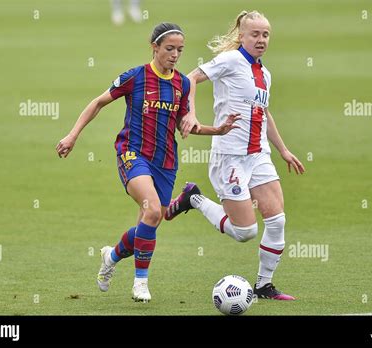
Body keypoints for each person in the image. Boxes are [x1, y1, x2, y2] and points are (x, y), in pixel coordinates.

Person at [56, 23, 240, 302]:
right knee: (153, 210)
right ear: (154, 47)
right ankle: (140, 283)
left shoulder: (183, 84)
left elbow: (187, 126)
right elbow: (98, 103)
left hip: (165, 162)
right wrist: (72, 136)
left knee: (149, 222)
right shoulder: (136, 77)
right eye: (169, 49)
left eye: (180, 50)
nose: (175, 55)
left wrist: (219, 129)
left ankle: (111, 256)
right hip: (133, 153)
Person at [165, 11, 305, 300]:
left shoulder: (264, 74)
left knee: (277, 220)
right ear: (242, 36)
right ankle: (195, 198)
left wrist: (284, 150)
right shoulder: (229, 61)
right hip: (229, 156)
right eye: (255, 34)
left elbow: (264, 114)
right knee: (245, 232)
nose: (261, 39)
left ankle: (264, 286)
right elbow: (190, 79)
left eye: (265, 34)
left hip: (259, 155)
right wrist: (190, 113)